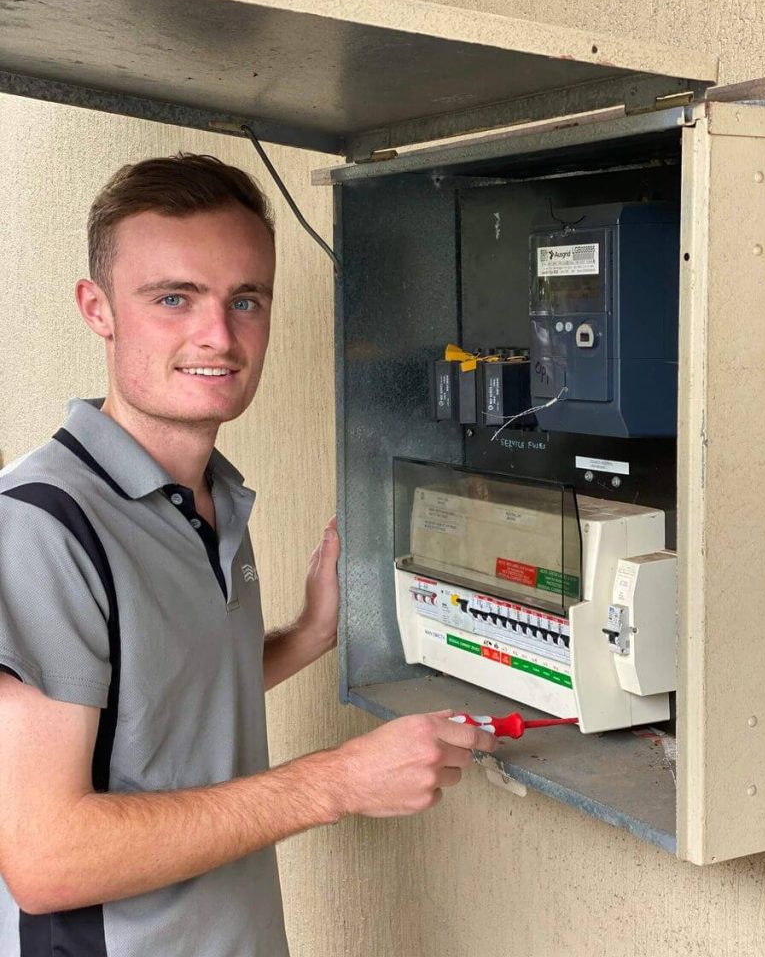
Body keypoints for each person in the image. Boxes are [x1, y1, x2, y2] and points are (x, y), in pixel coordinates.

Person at [0, 154, 498, 957]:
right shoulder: (41, 527)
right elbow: (46, 858)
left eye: (246, 300)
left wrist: (310, 633)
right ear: (98, 309)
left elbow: (149, 701)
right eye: (173, 298)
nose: (219, 336)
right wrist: (335, 782)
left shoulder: (211, 495)